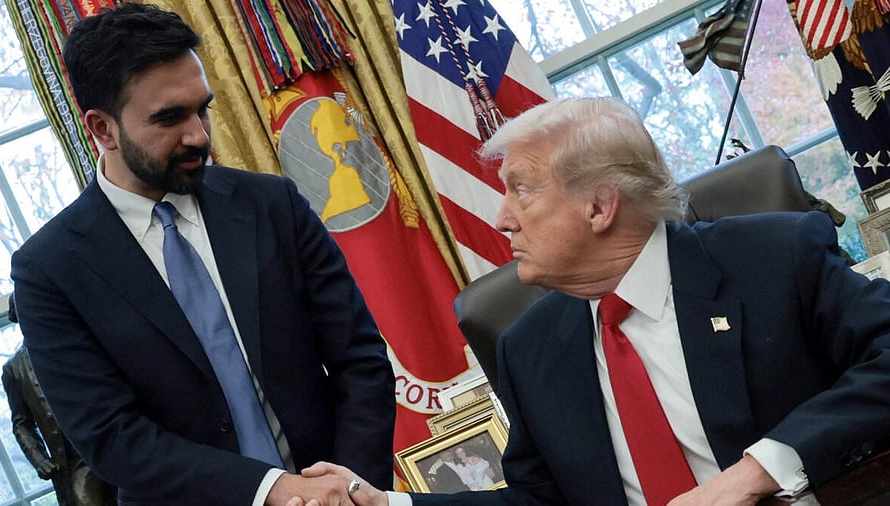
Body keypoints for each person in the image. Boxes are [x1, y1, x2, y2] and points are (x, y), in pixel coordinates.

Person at [301, 96, 890, 505]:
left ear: (600, 207)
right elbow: (538, 500)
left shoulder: (772, 257)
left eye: (521, 192)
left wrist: (757, 473)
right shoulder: (529, 348)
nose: (502, 220)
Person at [10, 4, 395, 505]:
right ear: (102, 130)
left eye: (202, 109)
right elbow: (112, 437)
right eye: (170, 118)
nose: (198, 135)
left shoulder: (272, 205)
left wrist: (347, 488)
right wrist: (271, 491)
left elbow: (359, 360)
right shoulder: (49, 270)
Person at [2, 298, 116, 506]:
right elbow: (22, 423)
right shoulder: (14, 369)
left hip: (112, 440)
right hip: (73, 463)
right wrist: (39, 459)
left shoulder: (73, 342)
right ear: (16, 318)